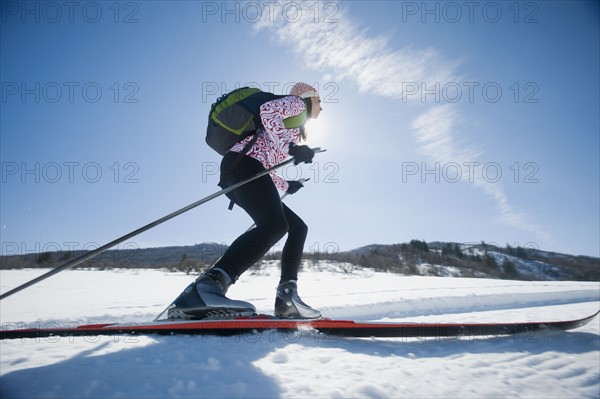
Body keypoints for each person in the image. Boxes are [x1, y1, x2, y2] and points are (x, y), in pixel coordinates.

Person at [168, 82, 323, 320]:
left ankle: (287, 298)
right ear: (308, 97)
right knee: (274, 225)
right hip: (242, 166)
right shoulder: (296, 104)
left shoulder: (293, 125)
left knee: (296, 227)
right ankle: (205, 290)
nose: (321, 107)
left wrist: (286, 184)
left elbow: (266, 160)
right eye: (319, 100)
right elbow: (268, 111)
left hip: (246, 168)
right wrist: (293, 147)